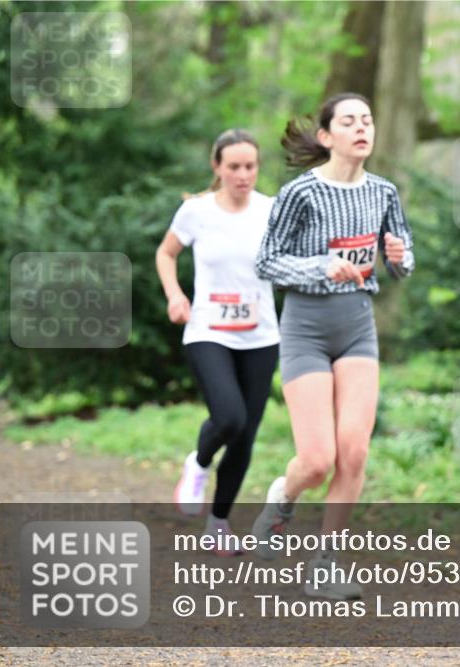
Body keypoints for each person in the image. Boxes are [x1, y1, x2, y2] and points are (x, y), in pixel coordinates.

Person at [250, 93, 414, 599]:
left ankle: (325, 563)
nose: (362, 128)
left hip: (358, 328)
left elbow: (403, 263)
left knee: (355, 452)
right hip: (306, 329)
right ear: (327, 137)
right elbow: (266, 262)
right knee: (318, 460)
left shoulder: (384, 192)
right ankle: (283, 494)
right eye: (349, 121)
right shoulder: (300, 193)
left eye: (367, 120)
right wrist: (320, 266)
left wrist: (400, 255)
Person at [156, 129, 280, 556]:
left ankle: (219, 523)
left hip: (261, 334)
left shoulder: (272, 210)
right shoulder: (197, 212)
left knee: (246, 436)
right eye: (234, 167)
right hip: (208, 329)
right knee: (228, 418)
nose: (243, 175)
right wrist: (176, 295)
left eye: (250, 166)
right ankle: (199, 462)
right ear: (218, 168)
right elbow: (166, 253)